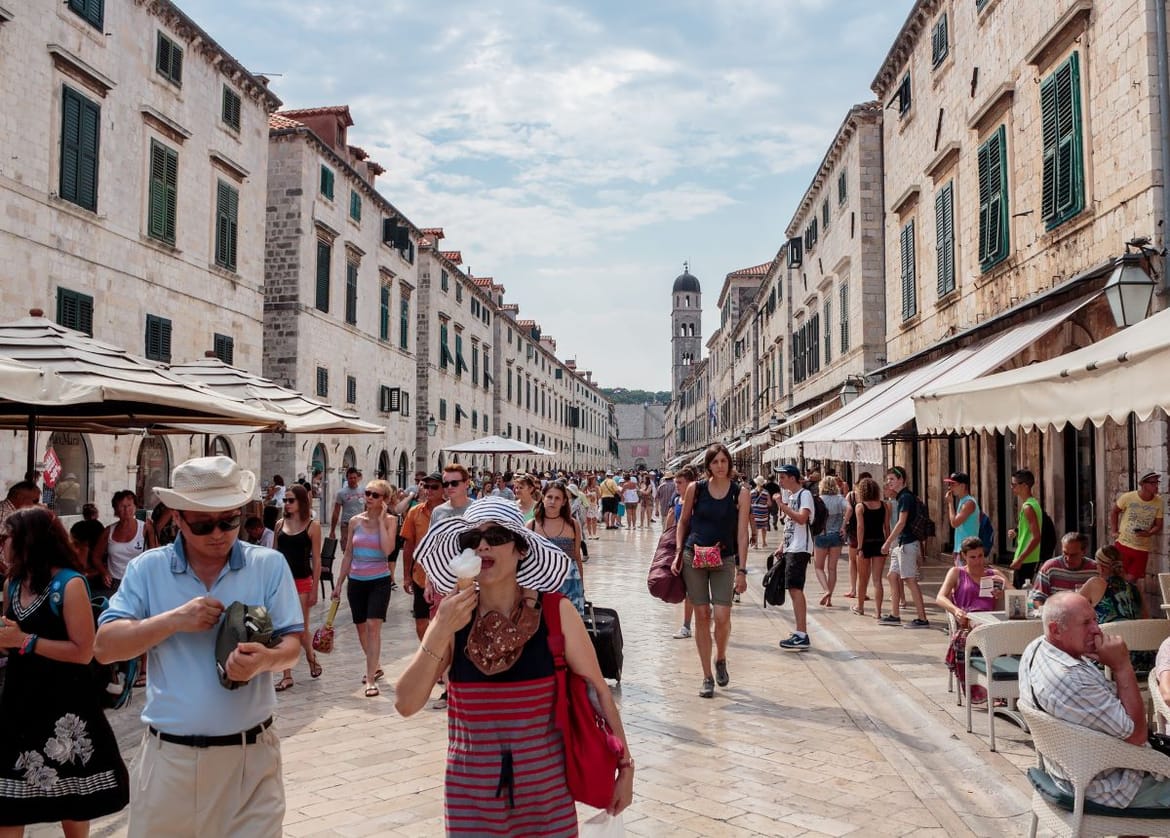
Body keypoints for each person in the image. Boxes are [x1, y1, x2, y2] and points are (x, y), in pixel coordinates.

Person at [394, 497, 633, 832]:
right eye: (471, 540)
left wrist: (626, 767)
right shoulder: (453, 619)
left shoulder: (556, 612)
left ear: (521, 549)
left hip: (547, 798)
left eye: (495, 537)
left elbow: (599, 692)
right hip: (471, 800)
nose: (481, 546)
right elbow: (405, 703)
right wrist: (440, 629)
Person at [93, 456, 303, 837]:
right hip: (170, 762)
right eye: (204, 524)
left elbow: (292, 646)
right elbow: (105, 647)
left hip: (250, 761)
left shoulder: (268, 565)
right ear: (177, 518)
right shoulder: (148, 569)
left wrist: (265, 661)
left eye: (230, 521)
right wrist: (173, 620)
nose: (219, 533)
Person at [0, 508, 130, 835]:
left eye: (7, 536)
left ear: (29, 540)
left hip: (63, 700)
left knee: (72, 794)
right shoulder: (12, 584)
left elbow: (84, 651)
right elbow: (9, 641)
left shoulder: (69, 585)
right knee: (8, 801)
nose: (2, 543)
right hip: (20, 699)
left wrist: (25, 641)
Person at [1021, 591, 1170, 810]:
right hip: (1105, 784)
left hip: (1069, 767)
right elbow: (1137, 736)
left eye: (1095, 620)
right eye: (1085, 623)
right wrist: (1122, 666)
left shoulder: (1036, 647)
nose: (1096, 629)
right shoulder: (1071, 677)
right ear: (1055, 629)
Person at [673, 445, 750, 696]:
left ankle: (721, 657)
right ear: (708, 465)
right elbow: (683, 522)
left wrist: (742, 570)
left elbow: (741, 533)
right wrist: (676, 553)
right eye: (715, 461)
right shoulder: (697, 489)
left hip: (724, 558)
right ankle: (706, 676)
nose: (720, 466)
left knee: (722, 617)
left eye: (723, 461)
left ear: (729, 464)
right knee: (702, 615)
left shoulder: (740, 493)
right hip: (693, 555)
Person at [332, 479, 397, 696]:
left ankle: (370, 679)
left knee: (372, 626)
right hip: (356, 580)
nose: (369, 497)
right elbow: (349, 552)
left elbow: (387, 550)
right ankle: (375, 666)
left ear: (384, 500)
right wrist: (339, 582)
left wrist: (380, 521)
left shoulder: (390, 521)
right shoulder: (354, 521)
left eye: (375, 495)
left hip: (379, 579)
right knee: (361, 628)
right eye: (368, 493)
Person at [936, 536, 1009, 703]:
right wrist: (956, 610)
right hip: (968, 622)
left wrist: (1002, 591)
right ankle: (985, 690)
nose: (978, 561)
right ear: (964, 556)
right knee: (969, 639)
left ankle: (1008, 687)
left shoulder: (994, 574)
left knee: (1012, 639)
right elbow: (940, 597)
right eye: (973, 557)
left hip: (992, 622)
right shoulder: (957, 572)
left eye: (981, 556)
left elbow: (1016, 597)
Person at [272, 484, 323, 691]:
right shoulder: (279, 524)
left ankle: (311, 658)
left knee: (300, 630)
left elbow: (317, 561)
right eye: (285, 500)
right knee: (284, 628)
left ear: (301, 502)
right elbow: (274, 555)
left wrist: (314, 589)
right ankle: (287, 675)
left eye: (291, 500)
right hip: (282, 583)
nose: (286, 503)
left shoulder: (313, 526)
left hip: (302, 581)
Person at [879, 466, 929, 629]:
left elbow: (901, 522)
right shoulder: (901, 497)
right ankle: (895, 614)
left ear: (901, 480)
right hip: (901, 543)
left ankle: (922, 618)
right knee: (892, 576)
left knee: (909, 579)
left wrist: (887, 542)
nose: (889, 482)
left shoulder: (905, 497)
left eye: (892, 479)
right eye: (888, 479)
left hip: (907, 543)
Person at [772, 464, 816, 650]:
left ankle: (802, 633)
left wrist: (781, 506)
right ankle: (800, 631)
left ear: (792, 477)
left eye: (782, 477)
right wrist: (783, 545)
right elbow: (791, 524)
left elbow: (802, 518)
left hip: (801, 549)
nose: (780, 481)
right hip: (792, 547)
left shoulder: (804, 495)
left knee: (795, 589)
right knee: (792, 589)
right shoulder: (792, 496)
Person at [401, 473, 444, 643]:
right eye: (426, 487)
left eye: (434, 487)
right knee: (421, 620)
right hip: (420, 575)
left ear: (443, 489)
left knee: (441, 620)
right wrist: (406, 575)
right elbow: (408, 545)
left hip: (445, 577)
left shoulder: (452, 512)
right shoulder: (415, 512)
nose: (429, 490)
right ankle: (427, 653)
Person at [94, 491, 158, 597]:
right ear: (115, 509)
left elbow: (155, 554)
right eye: (122, 506)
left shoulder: (146, 528)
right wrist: (104, 572)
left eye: (129, 505)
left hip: (139, 582)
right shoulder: (108, 531)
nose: (126, 509)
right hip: (114, 584)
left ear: (135, 507)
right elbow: (96, 557)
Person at [1110, 471, 1164, 583]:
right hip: (1123, 544)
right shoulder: (1128, 497)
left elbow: (1158, 525)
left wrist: (1149, 533)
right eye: (1153, 483)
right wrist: (1114, 531)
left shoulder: (1159, 502)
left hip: (1142, 548)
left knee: (1132, 579)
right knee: (1118, 577)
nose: (1156, 486)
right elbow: (1114, 511)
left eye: (1157, 483)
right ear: (1143, 484)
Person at [852, 476, 889, 618]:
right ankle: (878, 612)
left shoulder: (860, 507)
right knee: (877, 580)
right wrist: (887, 543)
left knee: (862, 579)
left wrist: (860, 548)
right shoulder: (884, 505)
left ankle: (860, 607)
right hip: (880, 542)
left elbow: (860, 528)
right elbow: (886, 526)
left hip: (866, 544)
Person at [1081, 544, 1147, 623]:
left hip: (1108, 633)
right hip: (1134, 633)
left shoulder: (1095, 583)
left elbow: (1071, 607)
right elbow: (1146, 619)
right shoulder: (1134, 587)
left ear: (1100, 568)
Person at [667, 467, 697, 639]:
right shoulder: (677, 499)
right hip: (680, 547)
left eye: (679, 482)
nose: (676, 485)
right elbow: (674, 520)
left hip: (694, 548)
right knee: (687, 589)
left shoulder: (697, 501)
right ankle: (687, 625)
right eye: (676, 482)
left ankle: (688, 625)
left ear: (690, 483)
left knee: (691, 590)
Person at [812, 475, 849, 608]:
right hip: (836, 536)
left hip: (821, 535)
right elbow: (849, 508)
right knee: (832, 568)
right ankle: (829, 599)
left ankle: (826, 590)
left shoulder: (818, 500)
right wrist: (844, 525)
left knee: (818, 567)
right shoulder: (840, 499)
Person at [1031, 532, 1097, 605]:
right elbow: (1037, 597)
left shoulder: (1095, 570)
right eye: (1065, 553)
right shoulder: (1050, 567)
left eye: (1073, 555)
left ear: (1084, 552)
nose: (1068, 559)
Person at [1007, 469, 1043, 589]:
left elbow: (1036, 537)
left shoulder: (1028, 507)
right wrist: (1016, 532)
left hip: (1026, 558)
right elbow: (1029, 531)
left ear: (1024, 485)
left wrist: (1020, 559)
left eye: (1014, 484)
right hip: (1027, 556)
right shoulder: (1032, 504)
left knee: (1019, 595)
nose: (1012, 487)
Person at [944, 472, 979, 566]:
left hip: (968, 550)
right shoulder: (962, 501)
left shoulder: (969, 503)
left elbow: (955, 523)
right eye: (949, 484)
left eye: (953, 484)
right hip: (961, 549)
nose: (950, 487)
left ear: (963, 486)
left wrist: (950, 504)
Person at [329, 467, 365, 551]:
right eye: (350, 478)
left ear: (358, 478)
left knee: (359, 550)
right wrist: (332, 530)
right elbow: (336, 511)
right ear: (347, 478)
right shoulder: (341, 493)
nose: (352, 480)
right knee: (346, 550)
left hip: (360, 525)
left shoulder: (364, 491)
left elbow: (367, 509)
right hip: (346, 525)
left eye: (354, 478)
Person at [750, 477, 770, 549]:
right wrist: (763, 504)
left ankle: (755, 544)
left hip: (754, 513)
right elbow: (769, 503)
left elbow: (749, 503)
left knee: (755, 529)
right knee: (763, 528)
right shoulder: (766, 492)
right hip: (763, 513)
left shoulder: (751, 492)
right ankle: (764, 542)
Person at [583, 474, 600, 540]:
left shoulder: (597, 487)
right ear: (590, 480)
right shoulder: (586, 487)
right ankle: (590, 534)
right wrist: (588, 495)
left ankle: (595, 534)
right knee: (588, 519)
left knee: (594, 519)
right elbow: (581, 495)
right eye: (594, 480)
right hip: (587, 505)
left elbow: (599, 496)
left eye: (595, 480)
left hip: (594, 504)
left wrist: (596, 492)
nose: (595, 481)